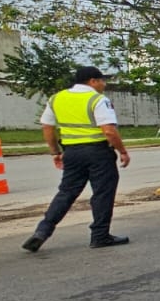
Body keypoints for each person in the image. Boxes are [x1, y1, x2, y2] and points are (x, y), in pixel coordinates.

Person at [22, 66, 132, 252]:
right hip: (98, 152)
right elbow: (109, 131)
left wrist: (55, 152)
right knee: (102, 193)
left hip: (72, 153)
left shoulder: (57, 98)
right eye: (102, 81)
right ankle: (100, 235)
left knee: (66, 192)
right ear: (92, 81)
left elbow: (47, 127)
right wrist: (122, 151)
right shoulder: (97, 99)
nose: (104, 85)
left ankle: (43, 230)